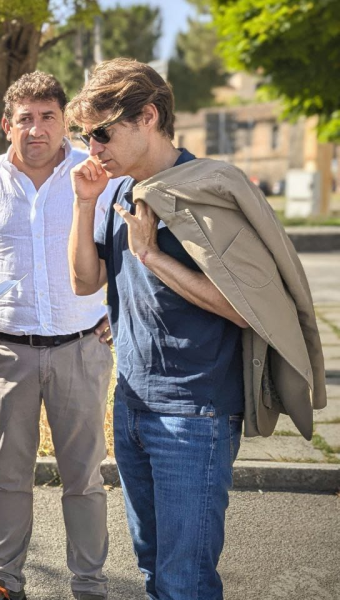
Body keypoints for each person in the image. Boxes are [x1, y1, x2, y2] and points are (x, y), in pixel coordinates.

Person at [66, 58, 325, 599]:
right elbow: (83, 281)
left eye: (102, 133)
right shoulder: (117, 193)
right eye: (86, 137)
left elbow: (246, 307)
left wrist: (151, 255)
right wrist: (84, 203)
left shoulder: (206, 191)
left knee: (185, 580)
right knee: (154, 569)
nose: (93, 149)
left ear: (148, 117)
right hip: (133, 402)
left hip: (194, 413)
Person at [0, 72, 118, 600]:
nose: (37, 129)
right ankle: (5, 581)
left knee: (84, 478)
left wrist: (118, 308)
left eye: (48, 117)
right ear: (6, 124)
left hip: (81, 349)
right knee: (8, 474)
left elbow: (127, 249)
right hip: (3, 353)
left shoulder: (97, 176)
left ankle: (88, 585)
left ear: (65, 121)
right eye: (25, 118)